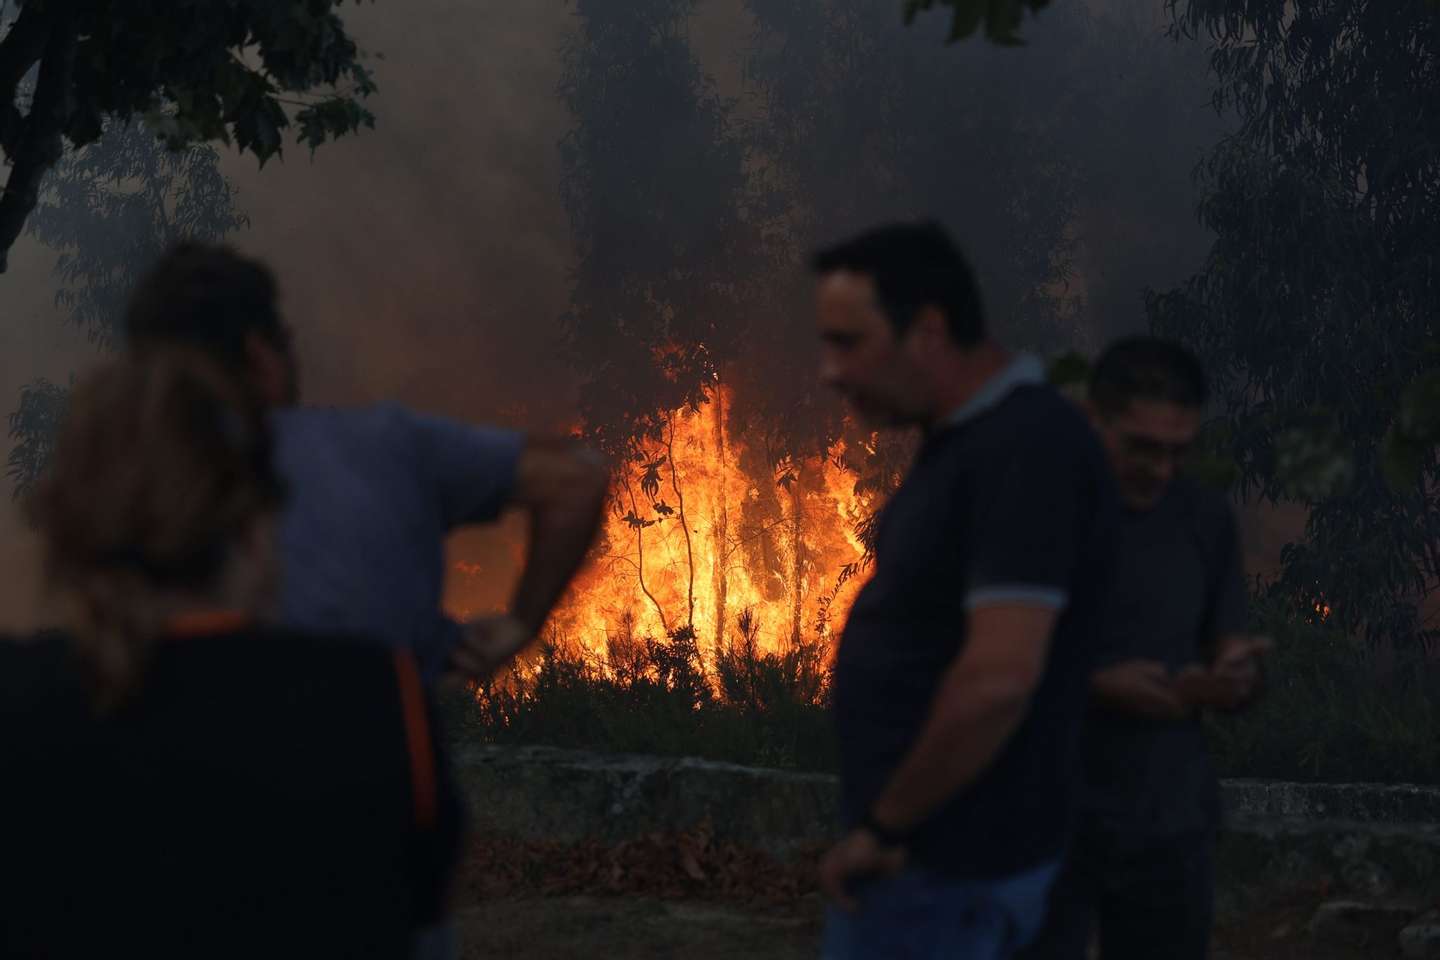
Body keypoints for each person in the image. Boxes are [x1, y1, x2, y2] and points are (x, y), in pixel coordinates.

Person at [0, 352, 462, 958]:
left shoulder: (19, 702)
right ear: (254, 529)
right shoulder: (374, 698)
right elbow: (420, 911)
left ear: (76, 529)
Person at [812, 221, 1118, 959]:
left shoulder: (1027, 448)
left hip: (951, 874)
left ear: (928, 330)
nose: (830, 370)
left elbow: (997, 679)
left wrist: (887, 827)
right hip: (931, 868)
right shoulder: (968, 443)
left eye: (848, 342)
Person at [122, 244, 608, 684]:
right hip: (379, 769)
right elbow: (576, 480)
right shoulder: (381, 446)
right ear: (261, 356)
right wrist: (518, 626)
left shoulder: (109, 490)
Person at [1021, 337, 1270, 960]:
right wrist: (1096, 683)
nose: (1160, 469)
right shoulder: (1037, 512)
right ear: (1094, 419)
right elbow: (984, 657)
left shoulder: (1204, 519)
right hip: (1044, 815)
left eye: (1177, 452)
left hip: (1168, 821)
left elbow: (1229, 644)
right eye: (1142, 447)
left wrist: (1235, 679)